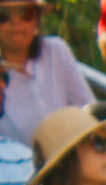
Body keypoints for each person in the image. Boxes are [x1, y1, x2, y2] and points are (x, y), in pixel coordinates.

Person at [0, 1, 92, 146]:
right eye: (3, 15)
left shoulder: (56, 50)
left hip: (70, 158)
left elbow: (88, 109)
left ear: (37, 19)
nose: (16, 24)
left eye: (26, 13)